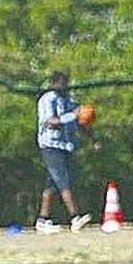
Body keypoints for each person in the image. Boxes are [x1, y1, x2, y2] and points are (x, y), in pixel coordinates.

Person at [33, 71, 90, 230]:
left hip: (66, 146)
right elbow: (50, 120)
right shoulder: (47, 99)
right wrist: (72, 115)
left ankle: (43, 220)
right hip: (50, 146)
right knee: (64, 181)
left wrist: (91, 136)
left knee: (51, 185)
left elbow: (78, 120)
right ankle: (75, 217)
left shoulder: (69, 100)